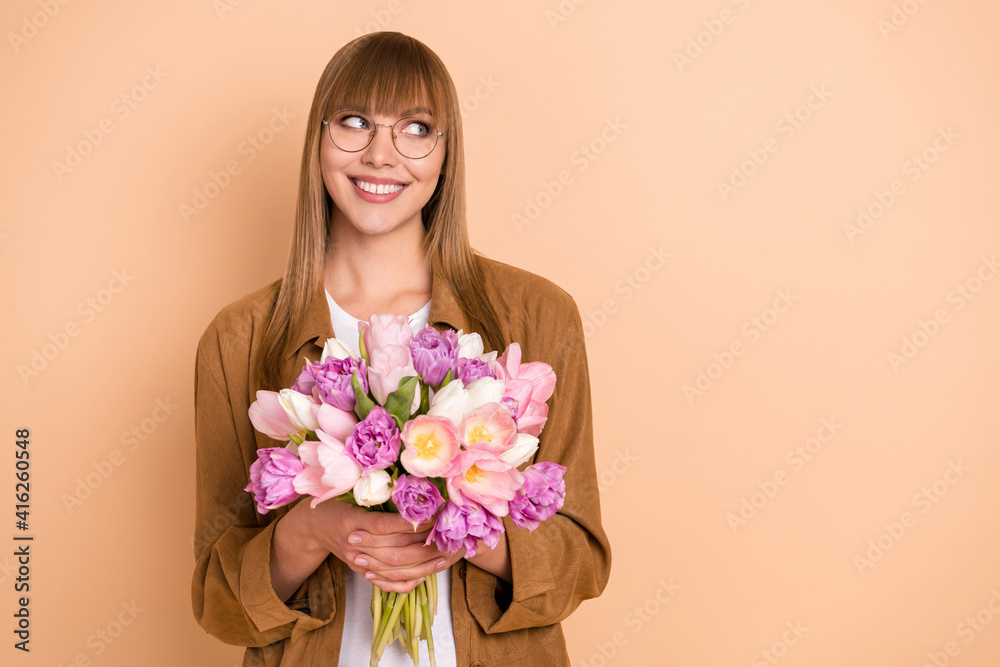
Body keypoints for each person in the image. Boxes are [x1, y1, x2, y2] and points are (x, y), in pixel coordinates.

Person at [191, 31, 611, 666]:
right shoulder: (239, 338)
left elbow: (582, 558)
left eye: (415, 129)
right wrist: (311, 531)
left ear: (446, 154)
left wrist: (465, 524)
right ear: (318, 139)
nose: (381, 155)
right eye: (355, 123)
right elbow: (219, 600)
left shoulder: (537, 315)